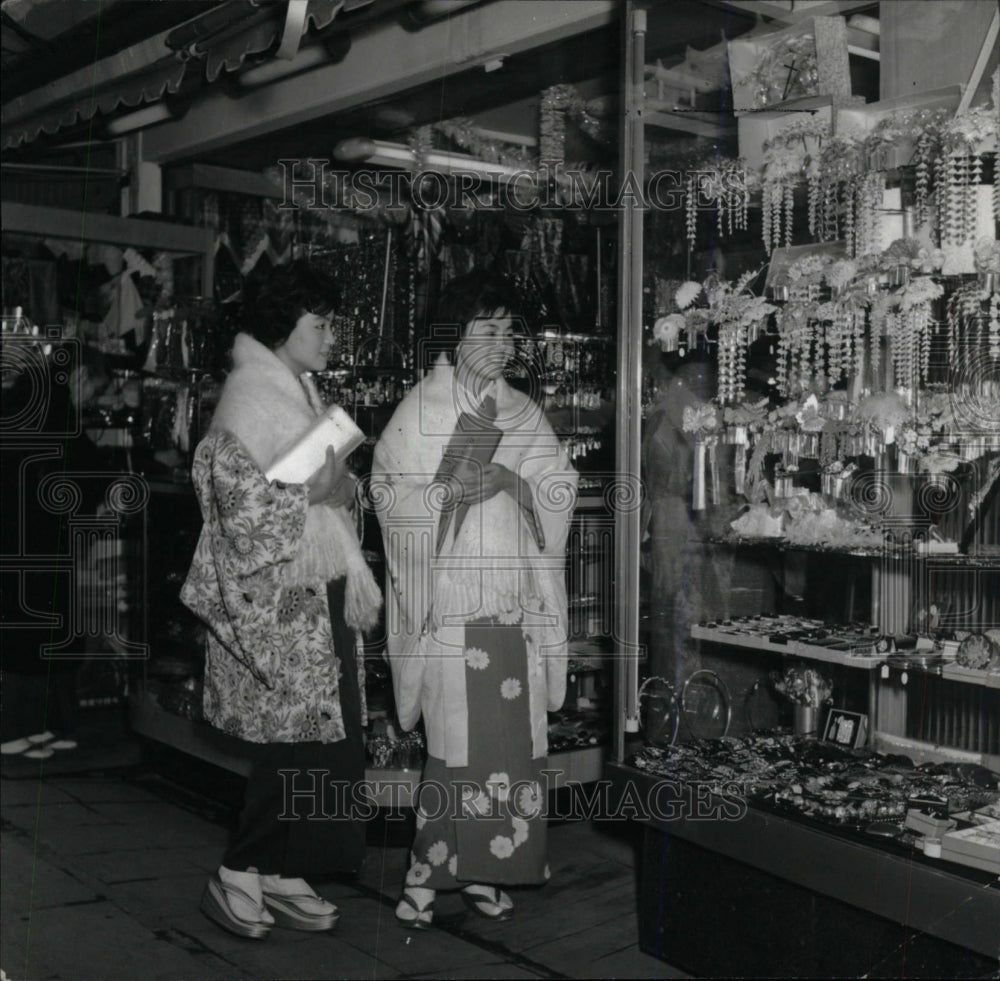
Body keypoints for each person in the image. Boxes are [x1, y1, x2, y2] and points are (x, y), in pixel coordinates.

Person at [180, 260, 382, 940]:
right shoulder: (249, 398)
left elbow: (314, 488)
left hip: (308, 594)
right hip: (275, 605)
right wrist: (318, 494)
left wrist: (338, 489)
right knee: (287, 743)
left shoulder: (294, 390)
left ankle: (282, 863)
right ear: (282, 326)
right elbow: (236, 511)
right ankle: (241, 865)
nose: (331, 336)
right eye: (319, 323)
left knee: (320, 740)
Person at [371, 270, 578, 929]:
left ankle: (491, 871)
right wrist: (450, 492)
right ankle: (428, 874)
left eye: (508, 330)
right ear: (455, 336)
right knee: (454, 747)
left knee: (511, 746)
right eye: (487, 329)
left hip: (511, 599)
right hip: (453, 605)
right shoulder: (421, 411)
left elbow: (558, 485)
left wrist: (510, 479)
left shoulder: (521, 410)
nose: (502, 342)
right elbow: (388, 492)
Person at [1, 343, 111, 760]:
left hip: (26, 533)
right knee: (36, 631)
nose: (91, 402)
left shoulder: (30, 399)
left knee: (36, 629)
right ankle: (20, 727)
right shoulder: (51, 409)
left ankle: (33, 726)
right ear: (80, 376)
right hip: (36, 537)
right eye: (93, 392)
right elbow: (78, 467)